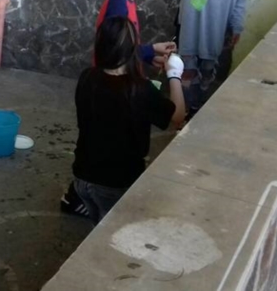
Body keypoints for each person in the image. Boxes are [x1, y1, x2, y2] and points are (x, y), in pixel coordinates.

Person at [63, 17, 185, 225]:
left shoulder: (87, 77)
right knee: (110, 231)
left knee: (98, 222)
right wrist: (174, 74)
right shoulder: (140, 89)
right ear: (132, 49)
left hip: (82, 177)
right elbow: (178, 115)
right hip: (116, 182)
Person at [168, 0, 248, 117]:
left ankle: (199, 108)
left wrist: (237, 27)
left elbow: (240, 3)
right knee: (187, 73)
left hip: (216, 32)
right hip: (192, 29)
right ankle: (185, 110)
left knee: (208, 73)